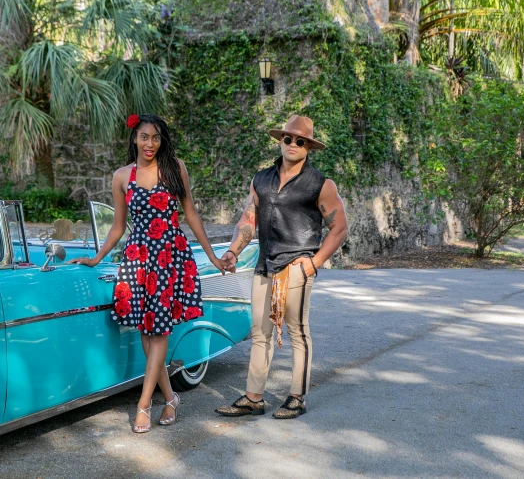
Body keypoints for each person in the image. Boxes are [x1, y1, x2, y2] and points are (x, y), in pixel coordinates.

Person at [69, 113, 229, 433]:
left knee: (158, 334)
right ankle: (170, 398)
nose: (150, 144)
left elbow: (191, 215)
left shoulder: (174, 168)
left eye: (155, 137)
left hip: (170, 256)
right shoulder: (121, 176)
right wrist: (97, 257)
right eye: (144, 137)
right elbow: (117, 227)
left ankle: (143, 404)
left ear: (162, 139)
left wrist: (212, 256)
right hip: (138, 257)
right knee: (146, 334)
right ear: (134, 138)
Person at [215, 114, 348, 419]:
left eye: (300, 141)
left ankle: (296, 398)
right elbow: (248, 220)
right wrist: (234, 250)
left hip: (297, 266)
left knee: (297, 332)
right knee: (259, 332)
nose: (293, 144)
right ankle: (253, 398)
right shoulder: (261, 179)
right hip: (265, 263)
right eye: (288, 138)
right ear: (280, 140)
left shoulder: (320, 184)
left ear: (308, 147)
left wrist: (313, 264)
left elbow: (339, 227)